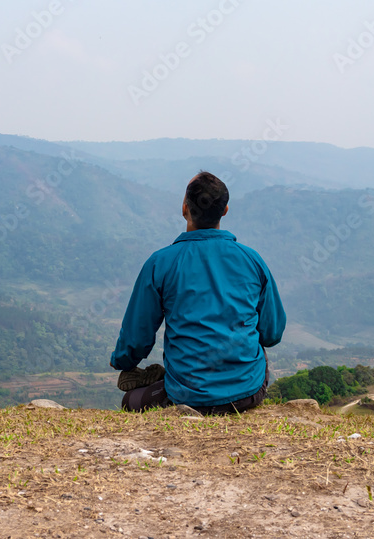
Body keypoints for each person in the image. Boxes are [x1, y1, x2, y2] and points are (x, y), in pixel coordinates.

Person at [109, 171, 286, 414]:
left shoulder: (160, 263)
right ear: (224, 211)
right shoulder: (251, 260)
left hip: (187, 394)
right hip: (247, 394)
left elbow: (137, 335)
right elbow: (272, 333)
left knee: (131, 402)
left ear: (184, 209)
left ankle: (164, 381)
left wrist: (122, 362)